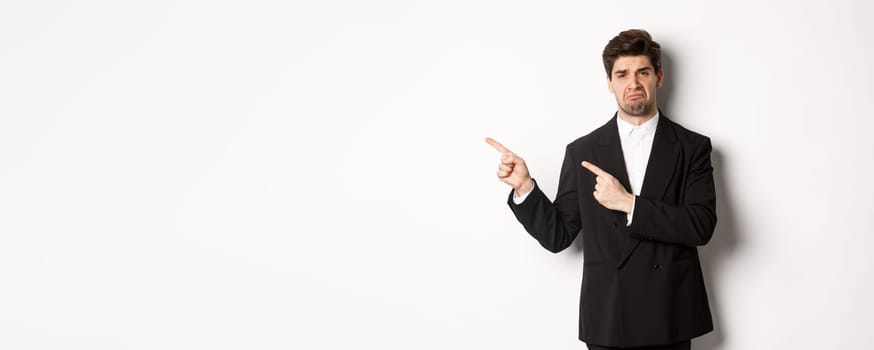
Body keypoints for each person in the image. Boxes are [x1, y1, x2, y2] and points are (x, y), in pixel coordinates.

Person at [486, 29, 717, 350]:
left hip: (670, 314)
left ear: (659, 77)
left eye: (643, 72)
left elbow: (701, 226)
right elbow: (558, 236)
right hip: (609, 317)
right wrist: (525, 187)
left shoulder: (692, 147)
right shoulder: (583, 151)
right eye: (622, 74)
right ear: (610, 82)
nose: (633, 83)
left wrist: (630, 204)